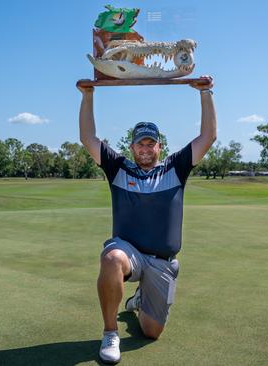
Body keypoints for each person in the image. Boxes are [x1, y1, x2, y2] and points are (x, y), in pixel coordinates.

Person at [77, 77, 216, 364]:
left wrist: (206, 93)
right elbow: (88, 139)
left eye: (150, 144)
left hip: (162, 261)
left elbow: (208, 137)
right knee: (111, 258)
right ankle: (110, 333)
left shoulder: (176, 168)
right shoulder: (117, 168)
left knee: (151, 332)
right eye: (140, 144)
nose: (145, 149)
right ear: (131, 147)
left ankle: (139, 300)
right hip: (128, 252)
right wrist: (88, 96)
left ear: (159, 147)